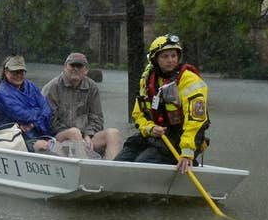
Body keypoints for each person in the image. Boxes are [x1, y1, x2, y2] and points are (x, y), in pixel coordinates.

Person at [114, 34, 210, 173]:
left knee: (143, 163)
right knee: (122, 160)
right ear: (155, 59)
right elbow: (138, 113)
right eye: (165, 56)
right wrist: (150, 128)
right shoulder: (147, 80)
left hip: (184, 137)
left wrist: (187, 151)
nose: (170, 60)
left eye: (173, 56)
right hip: (157, 134)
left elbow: (195, 120)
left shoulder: (189, 80)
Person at [41, 52, 123, 160]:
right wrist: (77, 135)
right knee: (74, 132)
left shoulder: (92, 87)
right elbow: (50, 121)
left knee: (113, 133)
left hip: (86, 138)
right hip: (59, 137)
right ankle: (86, 169)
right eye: (72, 65)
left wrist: (88, 135)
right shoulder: (52, 87)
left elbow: (97, 118)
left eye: (79, 66)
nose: (76, 69)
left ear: (86, 70)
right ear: (65, 67)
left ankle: (110, 171)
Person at [0, 55, 54, 152]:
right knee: (47, 147)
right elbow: (23, 116)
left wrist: (32, 124)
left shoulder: (31, 85)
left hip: (38, 132)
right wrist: (37, 110)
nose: (18, 75)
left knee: (66, 139)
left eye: (21, 72)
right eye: (14, 72)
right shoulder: (1, 94)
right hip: (14, 137)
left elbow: (47, 110)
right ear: (6, 72)